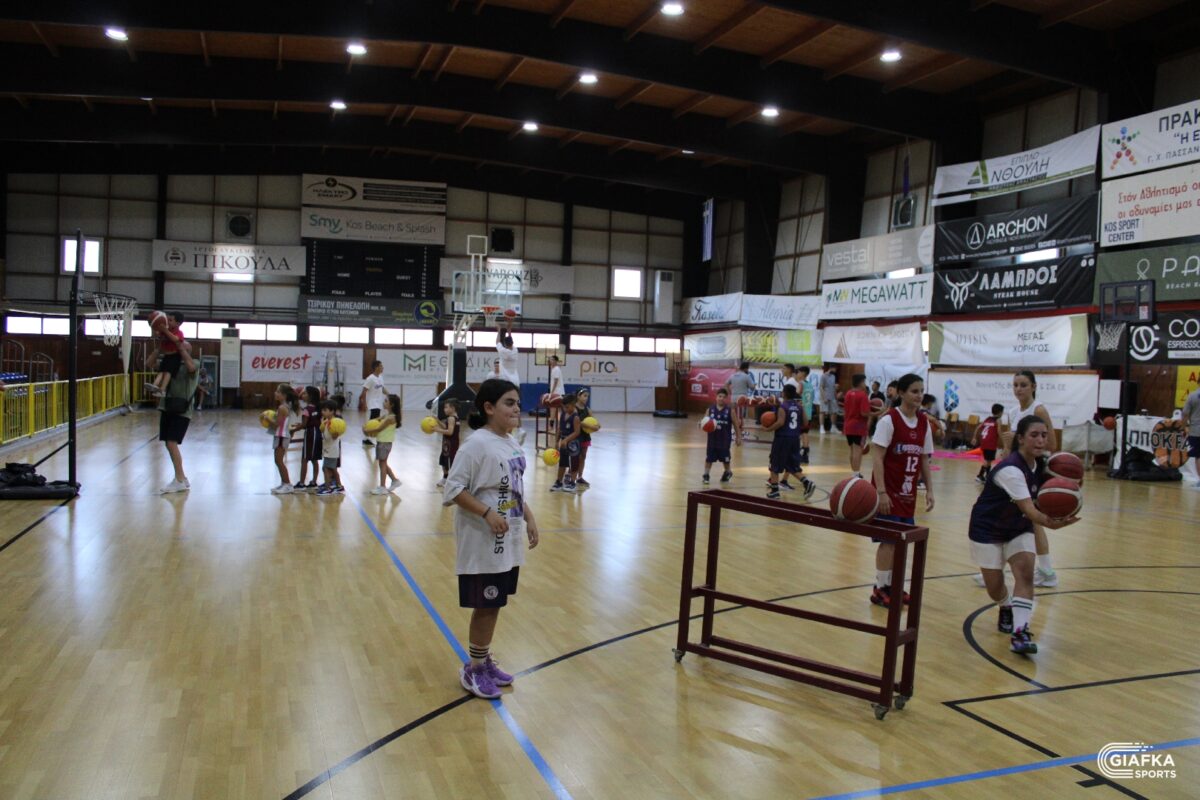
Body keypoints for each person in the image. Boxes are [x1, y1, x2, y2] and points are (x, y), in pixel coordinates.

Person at [442, 378, 539, 700]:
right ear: (488, 407)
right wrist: (486, 513)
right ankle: (473, 669)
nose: (517, 408)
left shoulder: (510, 442)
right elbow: (453, 489)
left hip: (506, 538)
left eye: (517, 403)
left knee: (495, 603)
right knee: (486, 605)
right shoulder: (476, 445)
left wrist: (528, 516)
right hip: (483, 540)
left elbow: (513, 488)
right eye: (509, 403)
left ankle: (483, 661)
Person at [970, 415, 1078, 655]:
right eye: (1034, 435)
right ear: (1020, 438)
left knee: (1025, 573)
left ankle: (1020, 632)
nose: (1040, 440)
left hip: (1018, 527)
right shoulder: (1010, 470)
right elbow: (1030, 509)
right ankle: (1005, 605)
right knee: (994, 587)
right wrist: (1053, 523)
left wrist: (1072, 490)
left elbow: (1065, 487)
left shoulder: (1045, 465)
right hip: (988, 528)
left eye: (1044, 435)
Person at [869, 373, 935, 607]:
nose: (919, 395)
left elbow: (925, 459)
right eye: (914, 391)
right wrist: (881, 492)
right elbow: (877, 457)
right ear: (901, 393)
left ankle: (893, 585)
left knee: (901, 542)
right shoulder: (889, 420)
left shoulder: (923, 422)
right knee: (888, 541)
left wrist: (929, 490)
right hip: (888, 492)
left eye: (921, 391)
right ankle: (880, 587)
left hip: (908, 493)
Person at [1003, 371, 1060, 588]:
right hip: (1016, 468)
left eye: (1023, 385)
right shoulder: (1012, 412)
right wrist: (1007, 448)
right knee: (1017, 518)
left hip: (1034, 469)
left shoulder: (1038, 410)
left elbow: (1052, 444)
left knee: (1031, 519)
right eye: (1015, 385)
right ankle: (1044, 570)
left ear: (1034, 387)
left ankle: (1046, 570)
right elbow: (1011, 449)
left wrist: (1019, 443)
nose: (1018, 389)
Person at [147, 338, 200, 493]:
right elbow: (150, 364)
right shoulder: (170, 363)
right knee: (168, 443)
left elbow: (191, 367)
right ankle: (182, 477)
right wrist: (159, 348)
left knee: (171, 442)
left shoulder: (194, 363)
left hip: (182, 409)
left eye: (182, 348)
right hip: (167, 406)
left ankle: (179, 479)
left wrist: (179, 348)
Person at [765, 384, 815, 500]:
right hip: (795, 440)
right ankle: (807, 483)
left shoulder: (783, 406)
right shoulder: (799, 407)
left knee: (774, 464)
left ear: (784, 393)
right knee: (791, 466)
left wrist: (768, 429)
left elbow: (780, 422)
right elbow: (806, 422)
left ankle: (774, 491)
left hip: (782, 439)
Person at [496, 316, 527, 446]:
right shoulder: (515, 351)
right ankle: (519, 429)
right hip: (515, 382)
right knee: (516, 407)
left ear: (504, 344)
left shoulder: (503, 352)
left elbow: (497, 342)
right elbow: (510, 341)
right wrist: (509, 329)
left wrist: (499, 330)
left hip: (505, 384)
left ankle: (506, 432)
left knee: (504, 407)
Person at [702, 387, 739, 484]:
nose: (721, 398)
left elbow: (736, 424)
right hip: (712, 440)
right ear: (716, 397)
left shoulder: (730, 410)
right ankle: (706, 475)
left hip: (725, 440)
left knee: (726, 459)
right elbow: (704, 421)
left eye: (723, 397)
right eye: (720, 396)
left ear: (726, 398)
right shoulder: (710, 409)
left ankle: (728, 472)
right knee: (709, 458)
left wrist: (738, 437)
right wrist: (701, 424)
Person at [291, 385, 323, 492]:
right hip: (318, 434)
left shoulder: (306, 409)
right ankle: (313, 482)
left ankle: (301, 483)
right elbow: (312, 422)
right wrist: (300, 425)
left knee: (304, 459)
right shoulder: (318, 408)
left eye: (304, 393)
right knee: (314, 459)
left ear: (310, 396)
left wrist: (293, 430)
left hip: (310, 435)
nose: (302, 395)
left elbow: (304, 425)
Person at [147, 311, 186, 397]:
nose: (168, 321)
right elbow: (156, 334)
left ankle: (162, 389)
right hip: (167, 356)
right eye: (167, 319)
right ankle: (155, 385)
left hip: (175, 356)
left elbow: (176, 339)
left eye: (170, 320)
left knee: (168, 372)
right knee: (161, 371)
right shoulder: (165, 331)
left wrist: (165, 330)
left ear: (178, 324)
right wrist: (153, 324)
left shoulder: (179, 333)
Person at [369, 393, 402, 495]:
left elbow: (379, 428)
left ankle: (382, 487)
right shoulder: (386, 415)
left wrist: (366, 430)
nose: (384, 402)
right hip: (382, 442)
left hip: (384, 443)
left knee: (382, 464)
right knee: (383, 463)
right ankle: (395, 480)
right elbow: (376, 420)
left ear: (392, 405)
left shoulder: (391, 418)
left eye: (386, 401)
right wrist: (370, 423)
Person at [271, 384, 300, 494]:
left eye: (278, 392)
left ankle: (287, 484)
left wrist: (266, 419)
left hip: (282, 436)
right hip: (281, 435)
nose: (275, 393)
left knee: (279, 461)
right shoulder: (284, 406)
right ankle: (284, 483)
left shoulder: (282, 408)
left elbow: (276, 425)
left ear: (284, 395)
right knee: (278, 461)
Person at [550, 393, 582, 493]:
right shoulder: (563, 414)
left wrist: (566, 440)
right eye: (564, 407)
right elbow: (560, 428)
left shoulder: (575, 417)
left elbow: (577, 432)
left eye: (567, 407)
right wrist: (556, 441)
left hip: (573, 443)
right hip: (563, 442)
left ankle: (572, 483)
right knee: (562, 463)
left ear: (573, 405)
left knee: (574, 463)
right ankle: (559, 482)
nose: (565, 409)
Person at [842, 374, 870, 478]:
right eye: (864, 382)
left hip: (848, 425)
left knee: (852, 450)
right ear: (861, 382)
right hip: (858, 426)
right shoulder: (862, 395)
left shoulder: (848, 393)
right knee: (858, 451)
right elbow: (864, 413)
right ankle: (856, 473)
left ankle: (854, 472)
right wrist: (876, 413)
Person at [316, 400, 345, 496]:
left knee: (326, 468)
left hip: (331, 450)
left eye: (325, 410)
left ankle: (328, 488)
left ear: (332, 411)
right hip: (328, 449)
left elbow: (335, 436)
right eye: (322, 410)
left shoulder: (334, 423)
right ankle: (339, 486)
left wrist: (330, 428)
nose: (322, 412)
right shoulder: (327, 422)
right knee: (333, 469)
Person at [973, 404, 1004, 484]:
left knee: (989, 460)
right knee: (987, 460)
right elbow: (999, 431)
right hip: (990, 443)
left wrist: (974, 437)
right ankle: (980, 476)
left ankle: (987, 476)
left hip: (984, 442)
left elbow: (978, 427)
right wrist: (1003, 441)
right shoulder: (998, 420)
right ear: (1000, 412)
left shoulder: (988, 419)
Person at [361, 360, 388, 447]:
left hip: (378, 403)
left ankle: (368, 438)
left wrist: (390, 395)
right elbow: (364, 391)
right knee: (373, 421)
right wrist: (364, 404)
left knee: (375, 421)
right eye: (381, 366)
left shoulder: (381, 377)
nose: (382, 368)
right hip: (372, 403)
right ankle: (369, 438)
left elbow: (382, 389)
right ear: (376, 367)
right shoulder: (370, 378)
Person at [726, 362, 756, 437]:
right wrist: (754, 385)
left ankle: (735, 430)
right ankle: (740, 431)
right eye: (748, 369)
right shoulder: (747, 376)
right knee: (740, 416)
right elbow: (752, 387)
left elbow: (726, 384)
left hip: (733, 398)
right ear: (746, 368)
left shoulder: (732, 375)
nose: (748, 370)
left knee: (734, 415)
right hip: (742, 399)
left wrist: (730, 392)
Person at [435, 398, 461, 488]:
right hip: (448, 444)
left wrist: (437, 430)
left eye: (446, 407)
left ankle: (450, 481)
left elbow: (449, 432)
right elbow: (446, 427)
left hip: (451, 444)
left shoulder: (451, 418)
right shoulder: (454, 417)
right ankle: (445, 478)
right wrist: (438, 421)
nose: (444, 409)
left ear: (453, 408)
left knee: (449, 463)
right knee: (443, 461)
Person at [574, 388, 594, 488]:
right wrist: (587, 425)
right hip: (576, 435)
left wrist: (596, 426)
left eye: (587, 396)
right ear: (578, 396)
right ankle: (570, 475)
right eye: (584, 396)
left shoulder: (588, 410)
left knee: (583, 456)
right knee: (575, 456)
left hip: (585, 436)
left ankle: (580, 477)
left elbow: (592, 421)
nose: (586, 398)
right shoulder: (574, 409)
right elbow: (577, 422)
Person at [1182, 379, 1200, 487]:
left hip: (1196, 431)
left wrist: (1184, 427)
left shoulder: (1192, 396)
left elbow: (1185, 414)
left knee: (1198, 456)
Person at [796, 366, 815, 463]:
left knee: (798, 434)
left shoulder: (801, 383)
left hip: (802, 413)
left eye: (798, 372)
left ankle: (797, 452)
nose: (797, 374)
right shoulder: (810, 385)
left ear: (803, 373)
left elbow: (797, 395)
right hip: (809, 412)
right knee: (805, 433)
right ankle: (805, 455)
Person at [819, 366, 839, 433]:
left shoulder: (833, 376)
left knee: (834, 412)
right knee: (822, 411)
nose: (835, 370)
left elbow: (834, 387)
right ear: (831, 368)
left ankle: (833, 427)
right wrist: (824, 397)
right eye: (835, 368)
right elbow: (821, 387)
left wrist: (836, 397)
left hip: (832, 396)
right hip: (825, 396)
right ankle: (821, 427)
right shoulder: (823, 376)